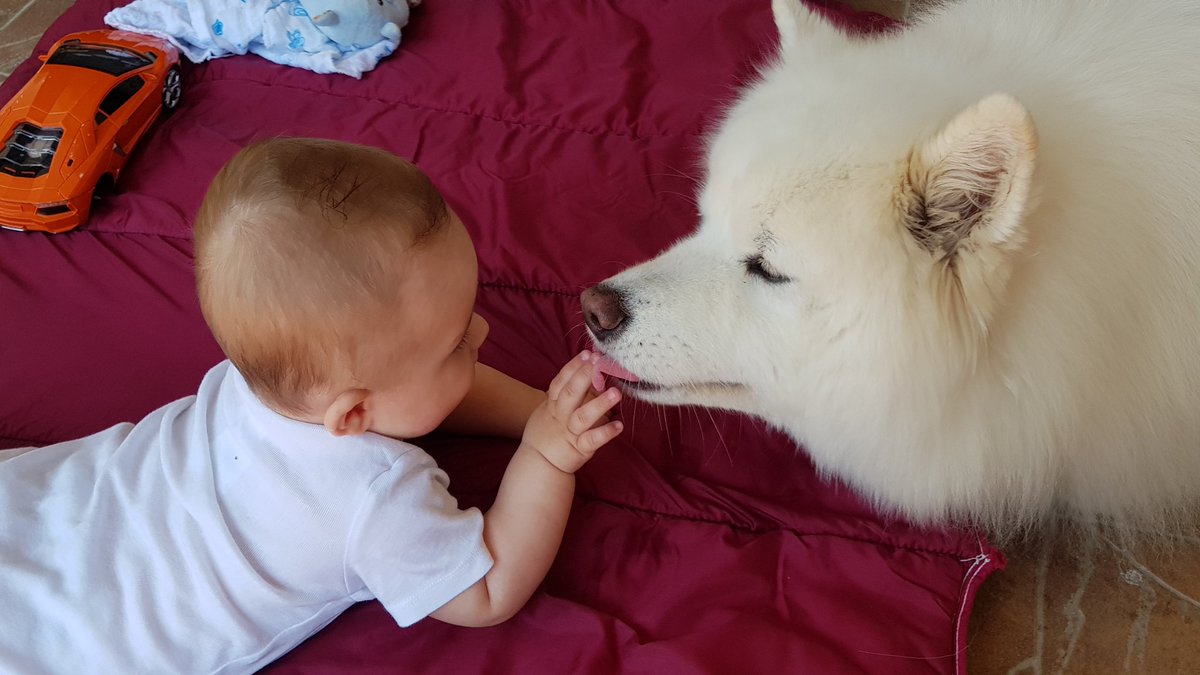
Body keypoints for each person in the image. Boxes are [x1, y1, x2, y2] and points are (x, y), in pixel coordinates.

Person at [0, 137, 624, 674]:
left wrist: (538, 409)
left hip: (42, 508)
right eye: (457, 343)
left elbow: (417, 397)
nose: (484, 332)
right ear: (353, 416)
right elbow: (487, 590)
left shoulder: (274, 372)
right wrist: (546, 454)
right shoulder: (376, 501)